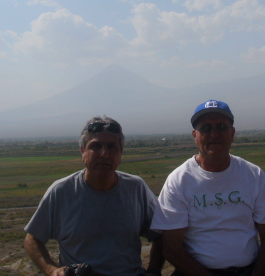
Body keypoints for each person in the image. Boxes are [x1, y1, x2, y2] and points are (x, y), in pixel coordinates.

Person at [150, 99, 265, 276]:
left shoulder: (253, 175)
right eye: (206, 128)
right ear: (195, 135)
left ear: (232, 133)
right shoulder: (179, 181)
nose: (214, 134)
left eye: (221, 127)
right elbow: (171, 248)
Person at [24, 116, 162, 276]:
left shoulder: (136, 188)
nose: (104, 154)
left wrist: (154, 271)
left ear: (121, 153)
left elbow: (162, 234)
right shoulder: (61, 191)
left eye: (112, 147)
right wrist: (52, 271)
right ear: (82, 151)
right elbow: (32, 239)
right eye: (95, 146)